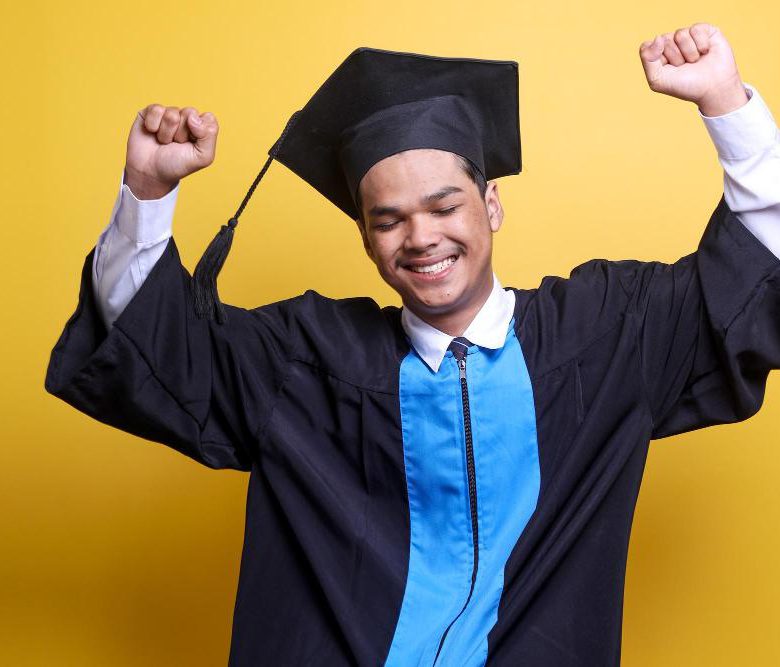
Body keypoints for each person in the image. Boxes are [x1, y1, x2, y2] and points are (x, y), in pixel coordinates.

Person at [44, 23, 780, 666]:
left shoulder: (607, 335)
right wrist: (147, 188)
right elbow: (152, 343)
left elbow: (753, 272)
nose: (421, 236)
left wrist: (725, 101)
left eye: (444, 204)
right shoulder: (304, 361)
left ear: (491, 204)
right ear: (364, 235)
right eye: (389, 218)